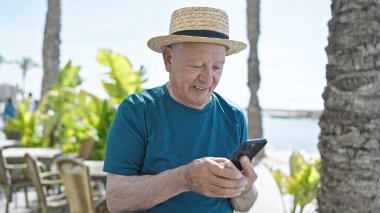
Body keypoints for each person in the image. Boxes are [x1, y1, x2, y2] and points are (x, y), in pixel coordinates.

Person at [104, 7, 258, 213]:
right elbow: (116, 200)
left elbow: (242, 205)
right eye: (196, 65)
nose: (207, 79)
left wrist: (245, 189)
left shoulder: (235, 117)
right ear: (168, 59)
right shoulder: (137, 110)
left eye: (216, 67)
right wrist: (184, 178)